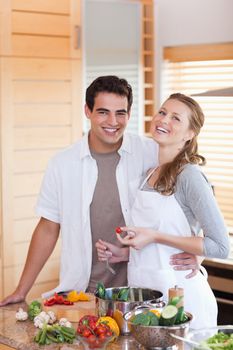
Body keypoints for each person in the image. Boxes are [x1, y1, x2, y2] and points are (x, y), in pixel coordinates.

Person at [0, 77, 200, 306]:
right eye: (103, 112)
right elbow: (47, 228)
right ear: (87, 111)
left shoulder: (151, 151)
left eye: (120, 113)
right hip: (83, 291)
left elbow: (194, 203)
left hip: (143, 289)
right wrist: (21, 290)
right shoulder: (63, 163)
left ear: (129, 113)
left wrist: (199, 255)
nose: (113, 122)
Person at [97, 93, 230, 329]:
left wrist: (156, 236)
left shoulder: (189, 176)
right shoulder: (148, 174)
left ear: (190, 134)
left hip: (183, 303)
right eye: (162, 112)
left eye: (176, 118)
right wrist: (124, 253)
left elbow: (220, 246)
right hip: (145, 298)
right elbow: (156, 247)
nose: (164, 120)